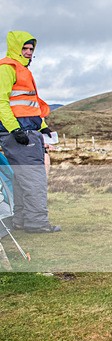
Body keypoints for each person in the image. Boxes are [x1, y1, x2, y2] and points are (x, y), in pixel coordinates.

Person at [0, 30, 60, 233]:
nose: (28, 52)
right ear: (15, 48)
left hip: (28, 130)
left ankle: (21, 221)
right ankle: (37, 223)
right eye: (24, 48)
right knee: (35, 179)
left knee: (20, 179)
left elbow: (29, 106)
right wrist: (14, 129)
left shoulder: (23, 71)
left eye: (31, 48)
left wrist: (42, 126)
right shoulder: (7, 68)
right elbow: (1, 101)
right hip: (19, 133)